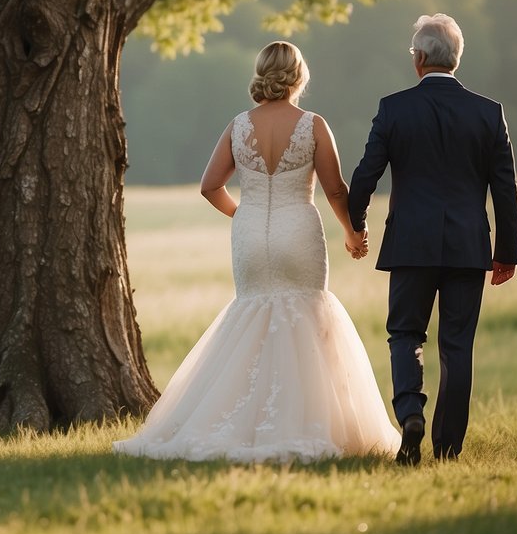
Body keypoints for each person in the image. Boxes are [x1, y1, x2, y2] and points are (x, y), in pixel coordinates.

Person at [114, 41, 400, 463]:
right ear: (298, 76)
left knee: (251, 317)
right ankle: (308, 421)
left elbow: (210, 185)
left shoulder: (238, 125)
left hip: (250, 233)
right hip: (298, 229)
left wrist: (241, 215)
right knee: (307, 317)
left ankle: (238, 422)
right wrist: (353, 232)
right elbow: (336, 188)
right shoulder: (313, 124)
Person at [348, 13, 517, 466]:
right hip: (468, 247)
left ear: (420, 58)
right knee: (457, 345)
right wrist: (507, 254)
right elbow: (505, 187)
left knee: (405, 333)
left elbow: (366, 174)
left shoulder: (394, 108)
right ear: (455, 59)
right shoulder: (489, 113)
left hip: (410, 245)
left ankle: (409, 414)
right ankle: (447, 449)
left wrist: (357, 222)